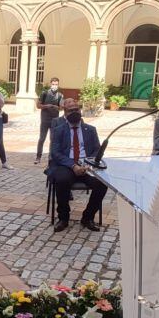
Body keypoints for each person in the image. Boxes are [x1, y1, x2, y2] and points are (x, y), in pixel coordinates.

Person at [49, 99, 107, 232]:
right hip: (67, 165)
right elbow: (55, 152)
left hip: (87, 166)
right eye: (71, 110)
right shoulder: (59, 130)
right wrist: (73, 166)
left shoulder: (91, 130)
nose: (74, 112)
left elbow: (97, 150)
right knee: (62, 180)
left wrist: (87, 163)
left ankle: (87, 217)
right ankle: (63, 218)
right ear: (65, 112)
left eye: (76, 109)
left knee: (102, 184)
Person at [36, 78, 64, 165]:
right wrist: (46, 106)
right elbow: (38, 105)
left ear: (58, 85)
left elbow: (62, 107)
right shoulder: (44, 93)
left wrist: (57, 107)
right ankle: (38, 157)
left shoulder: (60, 95)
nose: (54, 86)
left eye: (56, 84)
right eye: (53, 84)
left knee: (53, 139)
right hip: (45, 119)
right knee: (42, 138)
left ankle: (51, 157)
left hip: (55, 120)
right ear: (50, 84)